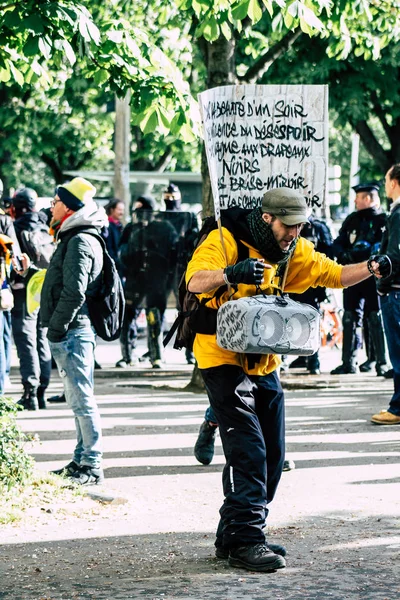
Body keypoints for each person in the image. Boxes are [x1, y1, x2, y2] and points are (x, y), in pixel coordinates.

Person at [186, 186, 385, 572]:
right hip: (220, 356)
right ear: (267, 219)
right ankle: (247, 538)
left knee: (274, 456)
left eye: (299, 227)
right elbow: (195, 281)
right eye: (288, 226)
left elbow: (337, 275)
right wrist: (231, 273)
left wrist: (374, 267)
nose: (294, 233)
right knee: (250, 451)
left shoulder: (293, 250)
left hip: (263, 361)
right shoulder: (225, 237)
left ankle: (232, 535)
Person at [40, 177, 107, 484]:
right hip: (74, 329)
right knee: (78, 398)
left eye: (54, 202)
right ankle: (80, 460)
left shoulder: (79, 240)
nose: (51, 206)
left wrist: (56, 329)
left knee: (82, 399)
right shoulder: (75, 236)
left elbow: (74, 292)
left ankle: (91, 466)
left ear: (67, 207)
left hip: (73, 330)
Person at [331, 182, 389, 376]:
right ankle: (349, 362)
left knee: (375, 317)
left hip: (374, 276)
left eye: (358, 197)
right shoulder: (351, 220)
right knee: (349, 317)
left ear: (368, 199)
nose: (355, 200)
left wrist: (361, 255)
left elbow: (382, 247)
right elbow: (337, 243)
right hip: (352, 275)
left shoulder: (384, 220)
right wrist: (343, 254)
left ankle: (382, 363)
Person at [117, 195, 178, 368]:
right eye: (137, 211)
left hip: (156, 279)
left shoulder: (164, 228)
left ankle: (156, 355)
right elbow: (122, 252)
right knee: (127, 316)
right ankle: (127, 356)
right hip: (134, 278)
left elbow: (173, 251)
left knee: (154, 316)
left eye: (142, 210)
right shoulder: (131, 228)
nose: (140, 214)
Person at [9, 188, 52, 410]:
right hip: (43, 289)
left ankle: (30, 393)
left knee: (26, 342)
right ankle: (42, 391)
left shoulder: (16, 227)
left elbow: (14, 261)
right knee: (41, 339)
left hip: (23, 290)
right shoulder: (45, 225)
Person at [371, 165, 400, 425]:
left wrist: (382, 282)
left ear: (394, 183)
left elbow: (395, 256)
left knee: (398, 352)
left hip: (396, 292)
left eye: (386, 179)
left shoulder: (398, 214)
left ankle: (398, 407)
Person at [289, 214, 334, 375]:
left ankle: (314, 360)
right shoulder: (289, 223)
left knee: (311, 322)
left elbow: (329, 255)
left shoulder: (318, 227)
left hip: (311, 285)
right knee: (294, 321)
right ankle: (302, 356)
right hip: (292, 283)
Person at [162, 183, 199, 365]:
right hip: (164, 268)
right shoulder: (160, 218)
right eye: (167, 197)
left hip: (182, 268)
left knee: (186, 309)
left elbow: (195, 240)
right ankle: (155, 354)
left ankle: (189, 351)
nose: (170, 201)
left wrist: (186, 239)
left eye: (172, 197)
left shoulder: (189, 217)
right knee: (157, 308)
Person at [102, 198, 125, 275]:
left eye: (122, 210)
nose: (122, 212)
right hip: (111, 267)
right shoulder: (106, 226)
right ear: (112, 210)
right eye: (119, 210)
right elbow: (108, 248)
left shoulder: (120, 226)